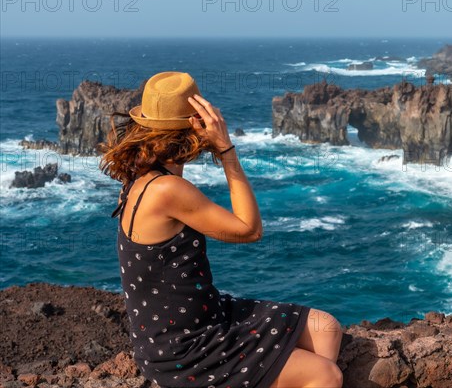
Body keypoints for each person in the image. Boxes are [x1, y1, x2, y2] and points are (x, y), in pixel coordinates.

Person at [98, 71, 343, 388]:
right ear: (194, 129)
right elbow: (249, 229)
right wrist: (226, 151)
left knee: (327, 328)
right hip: (184, 349)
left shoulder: (138, 178)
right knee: (325, 375)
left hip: (206, 316)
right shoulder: (167, 190)